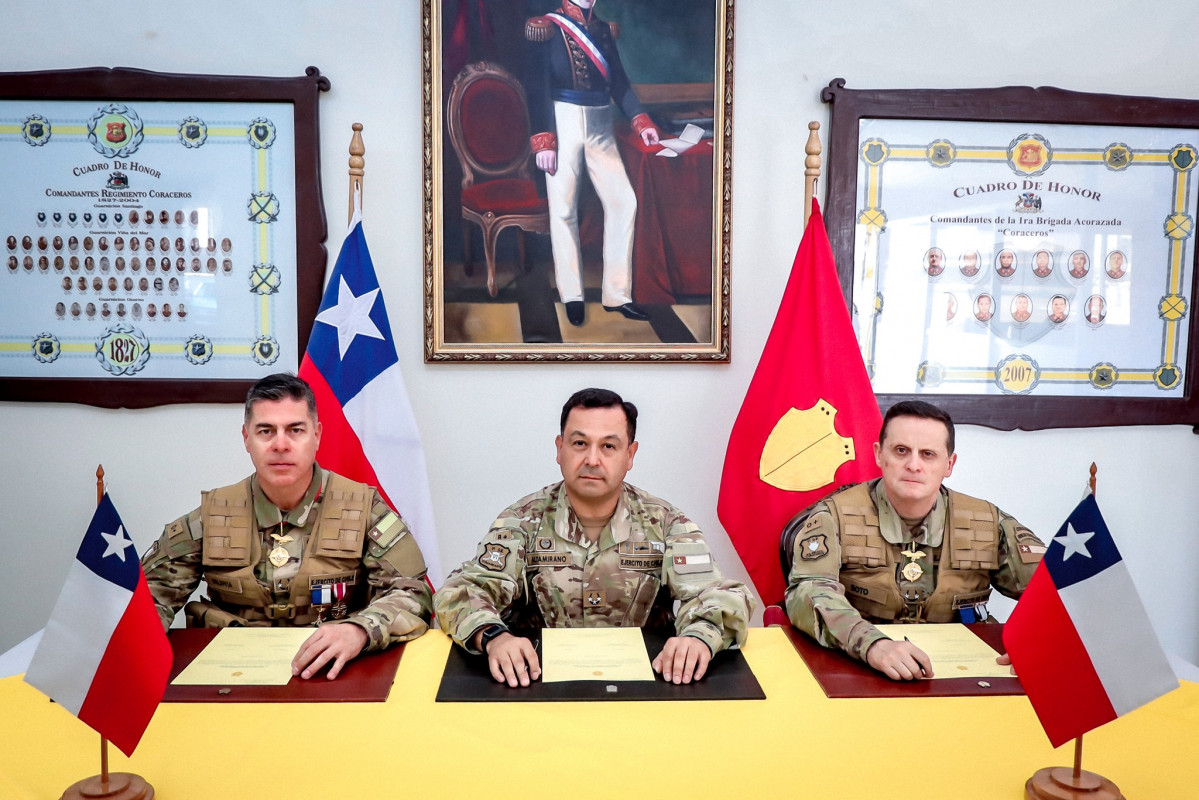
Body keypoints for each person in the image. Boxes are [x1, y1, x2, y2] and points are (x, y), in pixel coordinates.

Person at [435, 388, 753, 688]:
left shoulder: (666, 523)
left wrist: (698, 636)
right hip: (536, 685)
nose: (592, 459)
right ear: (559, 449)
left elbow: (719, 595)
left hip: (648, 686)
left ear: (630, 455)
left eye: (608, 446)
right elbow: (463, 592)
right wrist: (493, 637)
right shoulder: (521, 521)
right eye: (579, 444)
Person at [141, 373, 433, 680]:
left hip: (334, 675)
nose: (281, 445)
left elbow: (413, 593)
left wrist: (360, 630)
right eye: (266, 431)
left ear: (317, 435)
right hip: (231, 678)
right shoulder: (214, 515)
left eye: (295, 430)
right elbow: (146, 601)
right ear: (246, 438)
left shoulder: (363, 510)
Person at [783, 400, 1045, 680]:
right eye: (901, 451)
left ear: (949, 464)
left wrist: (1037, 642)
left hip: (967, 673)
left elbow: (1061, 595)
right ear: (879, 454)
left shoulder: (989, 522)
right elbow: (807, 592)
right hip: (861, 668)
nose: (913, 465)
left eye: (928, 454)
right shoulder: (833, 517)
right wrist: (872, 644)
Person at [525, 0, 659, 327]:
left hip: (601, 124)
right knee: (564, 210)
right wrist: (544, 139)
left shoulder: (602, 30)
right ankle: (572, 295)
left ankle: (617, 294)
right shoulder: (547, 27)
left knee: (624, 202)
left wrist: (643, 122)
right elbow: (536, 85)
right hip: (562, 120)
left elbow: (620, 84)